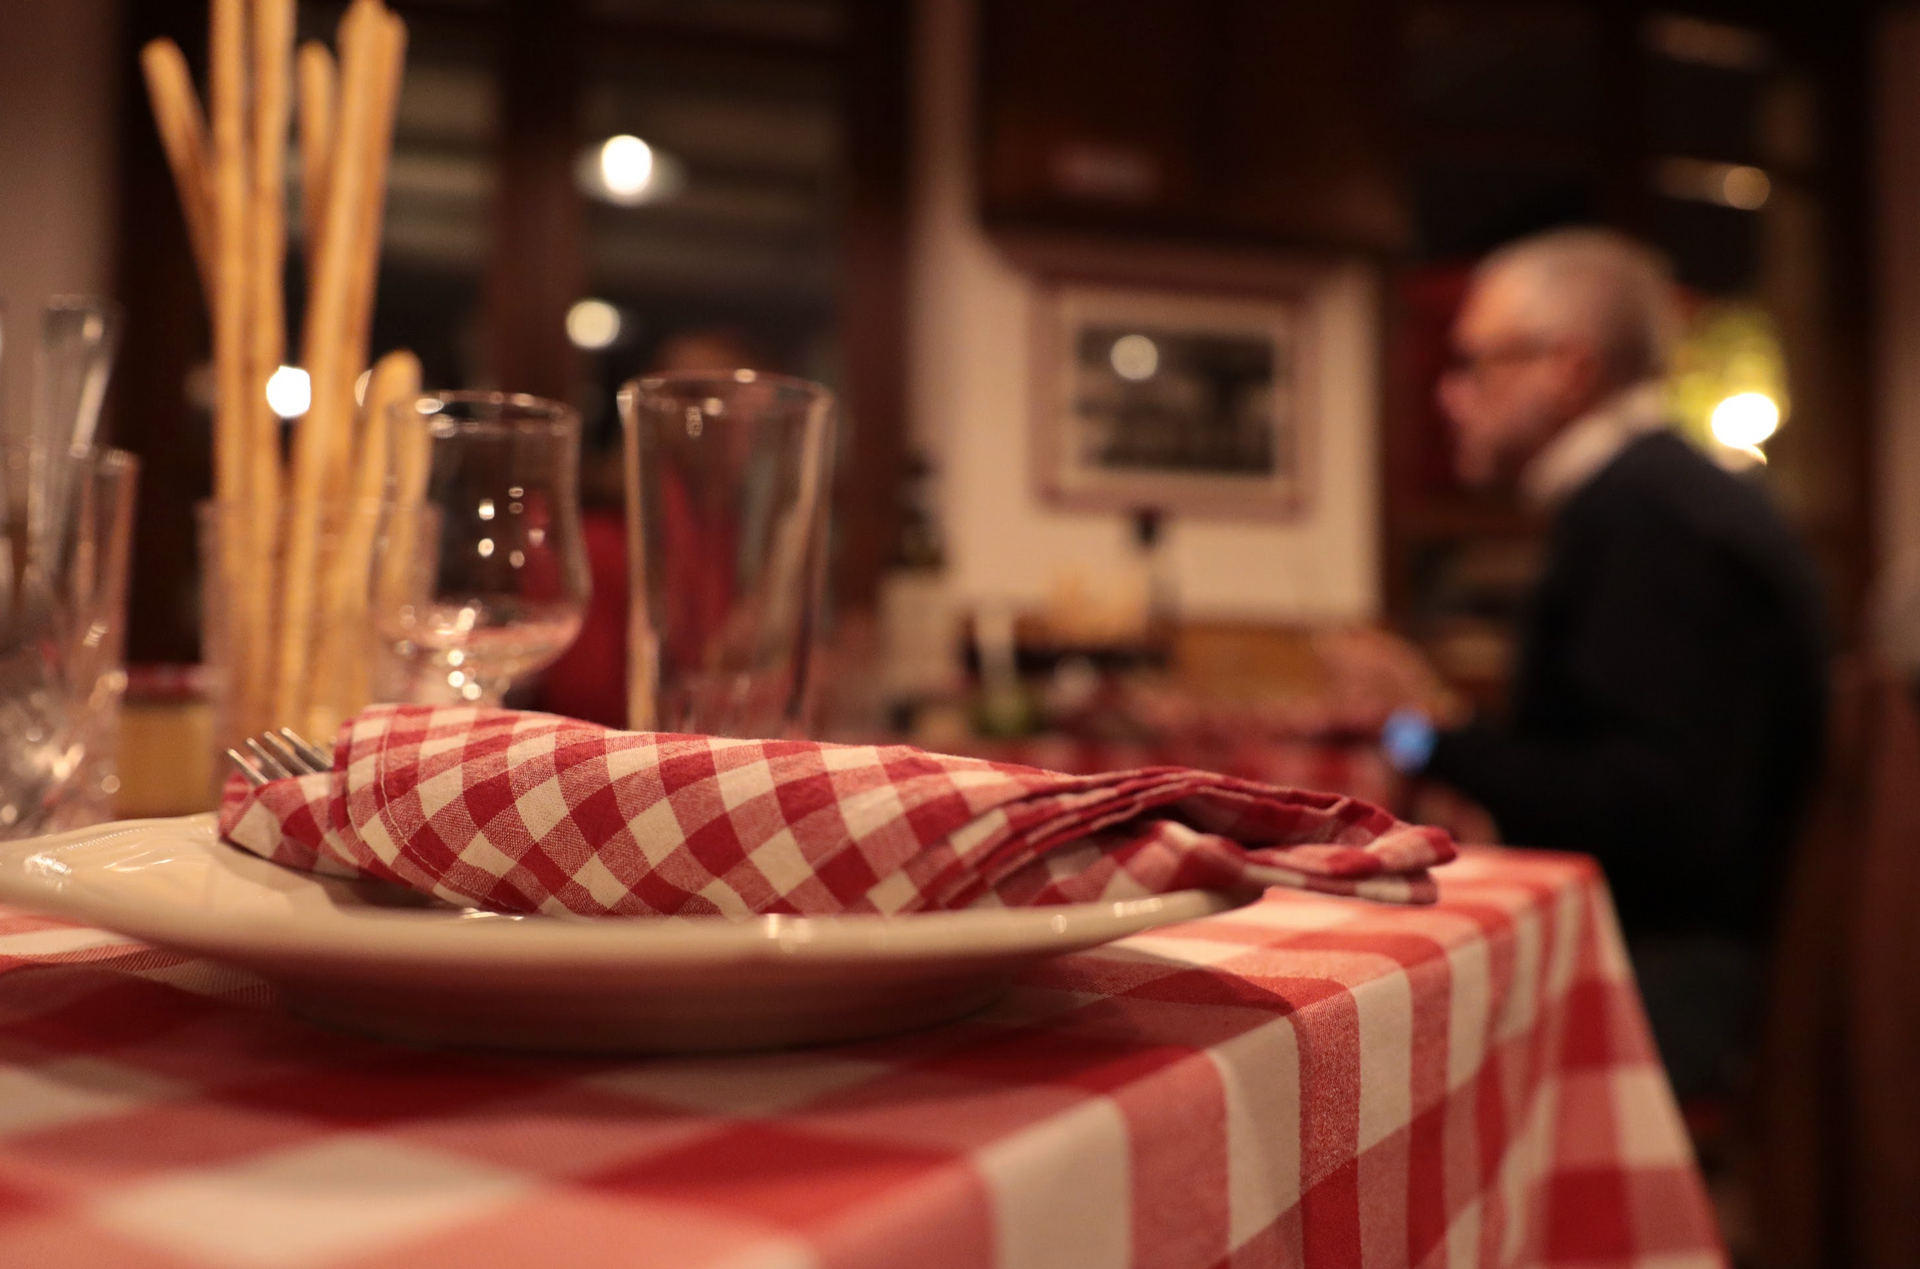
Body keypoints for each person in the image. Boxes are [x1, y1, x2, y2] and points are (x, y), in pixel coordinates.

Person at [1371, 227, 1829, 1095]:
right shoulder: (1657, 497)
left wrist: (1427, 737)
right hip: (1688, 940)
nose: (1447, 395)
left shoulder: (1645, 518)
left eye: (1474, 364)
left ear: (1568, 369)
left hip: (1672, 964)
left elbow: (1654, 806)